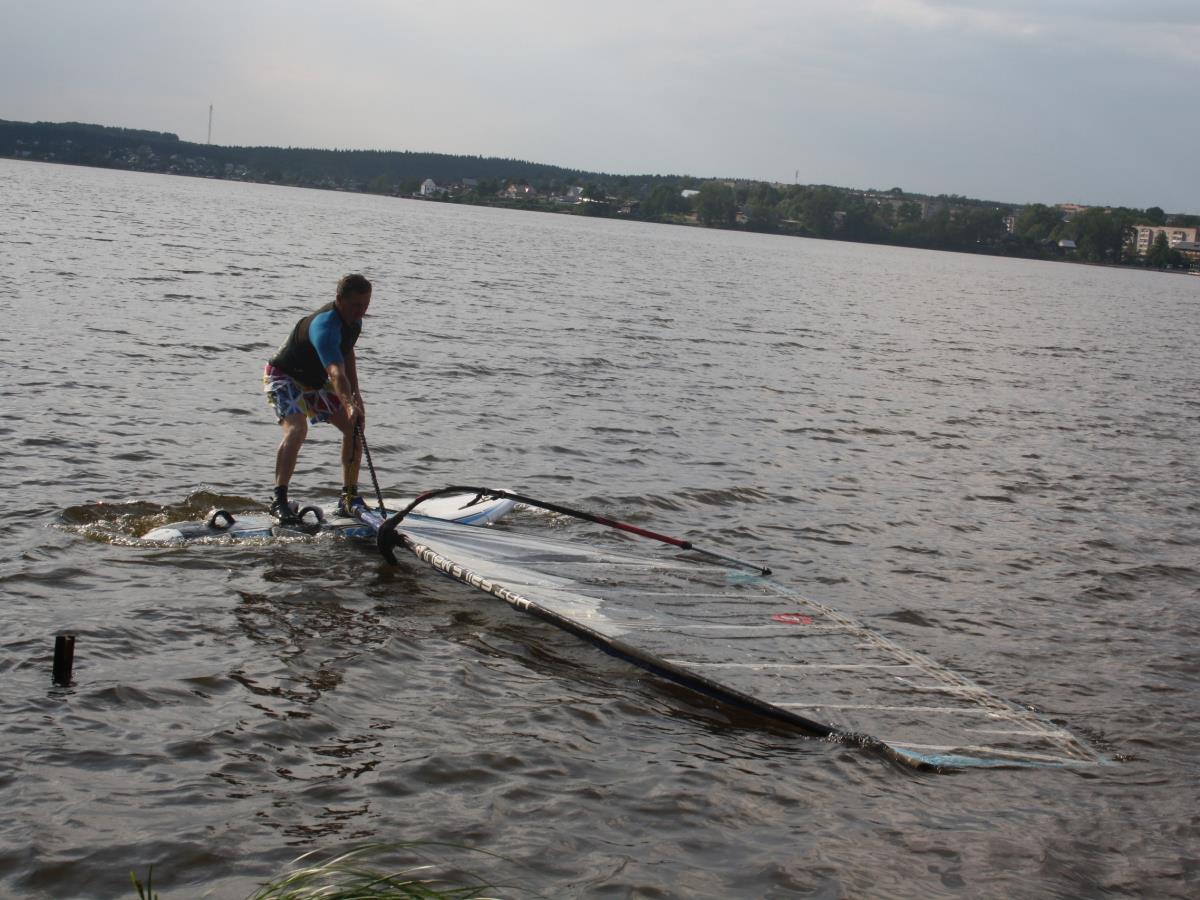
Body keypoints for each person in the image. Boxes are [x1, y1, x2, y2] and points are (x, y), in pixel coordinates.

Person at [263, 273, 372, 523]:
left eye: (366, 305)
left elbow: (347, 354)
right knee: (297, 429)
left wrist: (356, 397)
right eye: (356, 305)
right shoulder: (325, 326)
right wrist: (347, 403)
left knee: (354, 429)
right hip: (284, 377)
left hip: (314, 381)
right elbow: (335, 372)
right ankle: (278, 500)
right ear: (339, 300)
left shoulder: (354, 322)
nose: (361, 311)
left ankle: (348, 498)